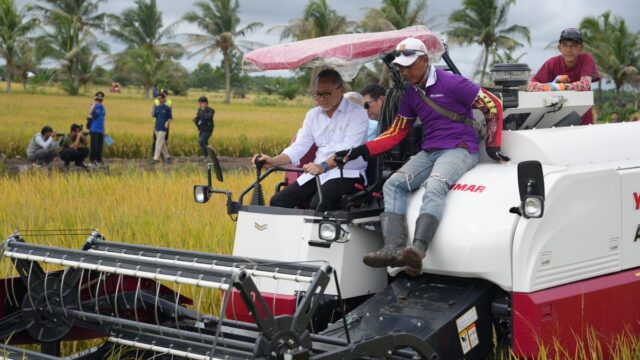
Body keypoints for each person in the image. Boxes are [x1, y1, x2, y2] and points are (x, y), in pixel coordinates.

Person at [335, 37, 508, 276]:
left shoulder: (452, 83)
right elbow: (396, 132)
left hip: (460, 148)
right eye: (401, 67)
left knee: (435, 184)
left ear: (425, 61)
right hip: (430, 151)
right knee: (393, 184)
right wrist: (361, 150)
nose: (404, 72)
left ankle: (418, 249)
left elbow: (493, 104)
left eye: (409, 66)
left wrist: (492, 144)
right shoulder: (411, 95)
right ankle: (393, 249)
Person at [252, 69, 369, 212]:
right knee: (278, 201)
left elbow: (349, 150)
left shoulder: (357, 113)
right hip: (319, 173)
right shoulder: (312, 115)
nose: (321, 98)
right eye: (318, 94)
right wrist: (273, 161)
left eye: (326, 93)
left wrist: (323, 166)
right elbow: (299, 146)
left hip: (348, 173)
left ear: (341, 90)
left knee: (318, 203)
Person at [527, 28, 600, 125]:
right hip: (557, 123)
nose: (569, 50)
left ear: (581, 48)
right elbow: (530, 86)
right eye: (565, 45)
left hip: (584, 122)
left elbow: (585, 84)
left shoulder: (586, 59)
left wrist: (563, 87)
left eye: (574, 45)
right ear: (559, 48)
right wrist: (549, 87)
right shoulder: (552, 63)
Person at [151, 89, 173, 157]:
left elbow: (170, 117)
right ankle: (167, 156)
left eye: (160, 98)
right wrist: (154, 127)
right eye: (158, 98)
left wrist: (167, 122)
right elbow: (154, 116)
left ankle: (155, 158)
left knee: (158, 142)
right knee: (162, 142)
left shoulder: (167, 107)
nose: (159, 100)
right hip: (157, 126)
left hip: (164, 127)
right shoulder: (157, 107)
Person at [88, 91, 106, 167]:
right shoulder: (93, 105)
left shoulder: (103, 107)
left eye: (101, 96)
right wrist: (95, 103)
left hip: (101, 130)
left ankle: (99, 160)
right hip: (94, 129)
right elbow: (90, 112)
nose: (100, 98)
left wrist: (104, 130)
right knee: (94, 147)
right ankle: (92, 161)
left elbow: (102, 119)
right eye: (98, 96)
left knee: (99, 147)